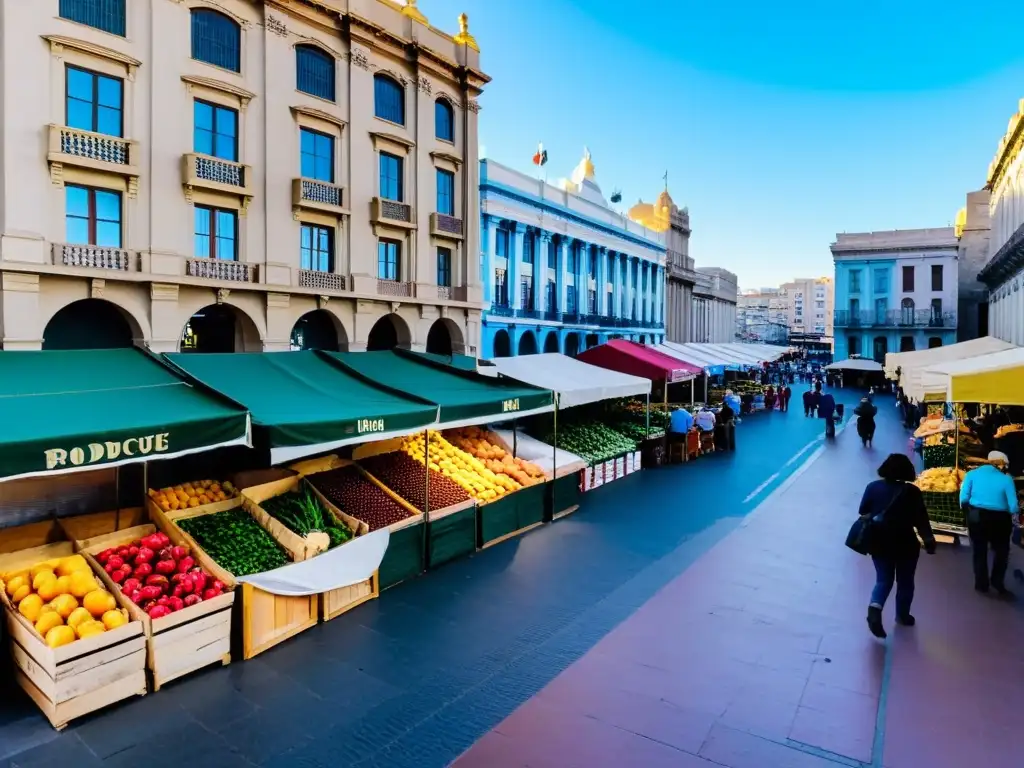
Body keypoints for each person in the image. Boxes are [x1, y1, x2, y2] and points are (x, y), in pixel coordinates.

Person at [859, 454, 937, 638]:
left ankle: (874, 609)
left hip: (879, 541)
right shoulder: (913, 492)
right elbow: (921, 520)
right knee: (905, 581)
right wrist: (928, 540)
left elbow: (863, 510)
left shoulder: (873, 487)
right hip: (906, 543)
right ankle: (902, 616)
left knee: (883, 580)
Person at [960, 451, 1019, 596]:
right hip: (1000, 520)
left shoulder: (971, 474)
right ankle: (997, 582)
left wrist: (969, 512)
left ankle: (981, 584)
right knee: (1001, 553)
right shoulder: (1006, 480)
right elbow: (1013, 507)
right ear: (1000, 464)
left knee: (979, 551)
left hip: (977, 517)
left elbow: (963, 498)